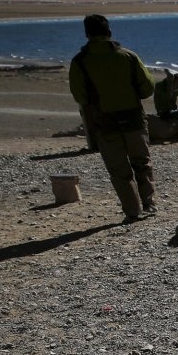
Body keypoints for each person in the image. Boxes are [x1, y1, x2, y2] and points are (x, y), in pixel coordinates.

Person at [67, 14, 157, 221]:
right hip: (134, 119)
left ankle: (133, 211)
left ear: (87, 34)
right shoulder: (128, 56)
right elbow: (147, 88)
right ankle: (149, 204)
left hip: (104, 123)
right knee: (142, 163)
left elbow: (80, 96)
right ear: (109, 32)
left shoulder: (80, 62)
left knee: (119, 170)